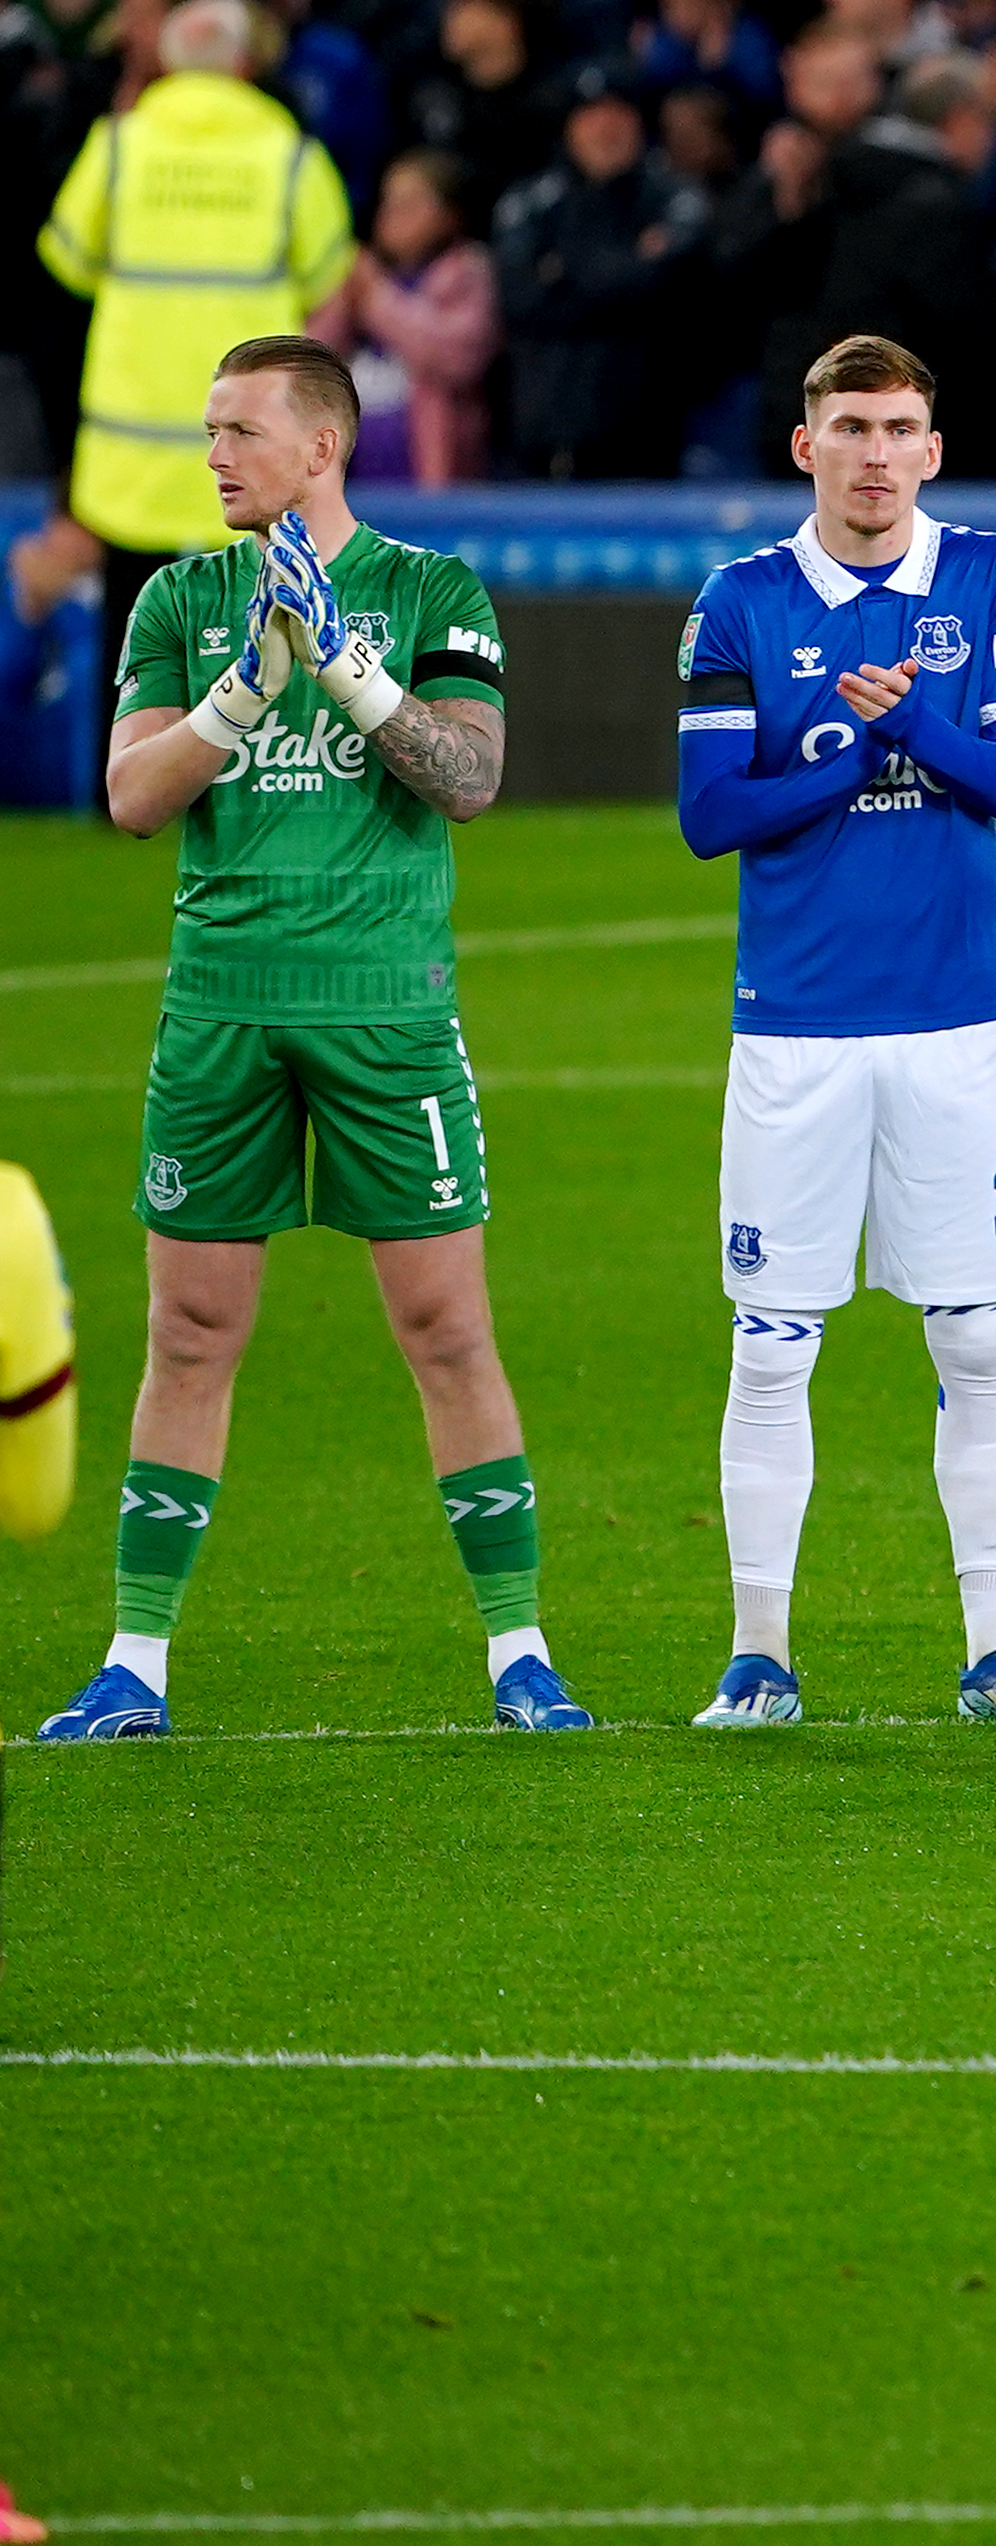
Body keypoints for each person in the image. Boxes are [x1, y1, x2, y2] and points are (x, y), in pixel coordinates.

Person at [36, 339, 578, 1742]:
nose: (212, 454)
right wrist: (248, 688)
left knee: (446, 1328)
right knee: (192, 1331)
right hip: (219, 1013)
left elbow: (469, 779)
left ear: (320, 449)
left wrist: (348, 672)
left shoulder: (428, 593)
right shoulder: (179, 597)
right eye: (207, 428)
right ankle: (134, 1666)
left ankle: (520, 1653)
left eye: (237, 431)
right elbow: (133, 799)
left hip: (388, 1017)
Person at [669, 337, 996, 1730]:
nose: (879, 453)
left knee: (973, 1339)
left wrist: (907, 733)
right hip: (797, 1032)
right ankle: (759, 1653)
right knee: (772, 1346)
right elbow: (711, 813)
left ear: (934, 451)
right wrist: (852, 753)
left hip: (960, 1021)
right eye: (853, 427)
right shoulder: (740, 603)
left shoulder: (986, 573)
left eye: (902, 427)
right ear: (806, 448)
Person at [38, 0, 351, 680]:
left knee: (135, 643)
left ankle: (121, 783)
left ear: (168, 61)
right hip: (251, 444)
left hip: (131, 450)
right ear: (243, 62)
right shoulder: (290, 155)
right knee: (256, 646)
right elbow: (331, 274)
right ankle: (240, 788)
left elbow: (66, 257)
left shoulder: (119, 144)